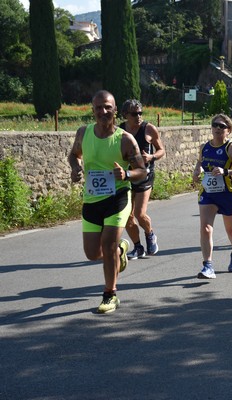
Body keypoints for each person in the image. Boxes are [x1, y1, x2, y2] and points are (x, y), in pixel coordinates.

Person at [67, 90, 147, 313]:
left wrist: (127, 175)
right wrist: (76, 168)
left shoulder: (125, 139)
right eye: (98, 108)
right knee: (92, 253)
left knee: (108, 242)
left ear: (115, 110)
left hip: (118, 197)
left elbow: (142, 170)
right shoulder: (84, 133)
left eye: (107, 107)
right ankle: (120, 252)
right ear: (92, 110)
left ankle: (110, 295)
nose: (103, 111)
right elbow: (74, 155)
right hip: (92, 199)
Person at [193, 114, 232, 279]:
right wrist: (196, 172)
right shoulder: (204, 147)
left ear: (229, 130)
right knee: (205, 228)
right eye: (215, 125)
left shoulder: (231, 148)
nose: (218, 128)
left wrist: (226, 171)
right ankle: (208, 265)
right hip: (209, 193)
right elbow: (200, 163)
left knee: (231, 230)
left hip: (228, 193)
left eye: (222, 126)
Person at [119, 99, 164, 260]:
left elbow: (161, 150)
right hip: (126, 177)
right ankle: (138, 247)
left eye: (140, 113)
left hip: (145, 176)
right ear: (125, 115)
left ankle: (150, 234)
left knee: (139, 213)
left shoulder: (149, 128)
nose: (138, 116)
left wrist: (151, 156)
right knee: (126, 216)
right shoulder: (120, 131)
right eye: (134, 114)